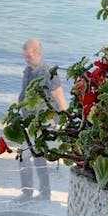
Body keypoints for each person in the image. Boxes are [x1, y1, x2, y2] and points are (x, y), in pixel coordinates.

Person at [15, 38, 67, 202]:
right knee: (36, 157)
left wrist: (65, 123)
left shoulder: (48, 73)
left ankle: (30, 193)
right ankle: (42, 192)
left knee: (25, 155)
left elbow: (60, 98)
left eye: (29, 56)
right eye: (24, 56)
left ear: (38, 53)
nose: (26, 59)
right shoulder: (28, 70)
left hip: (42, 122)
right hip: (29, 122)